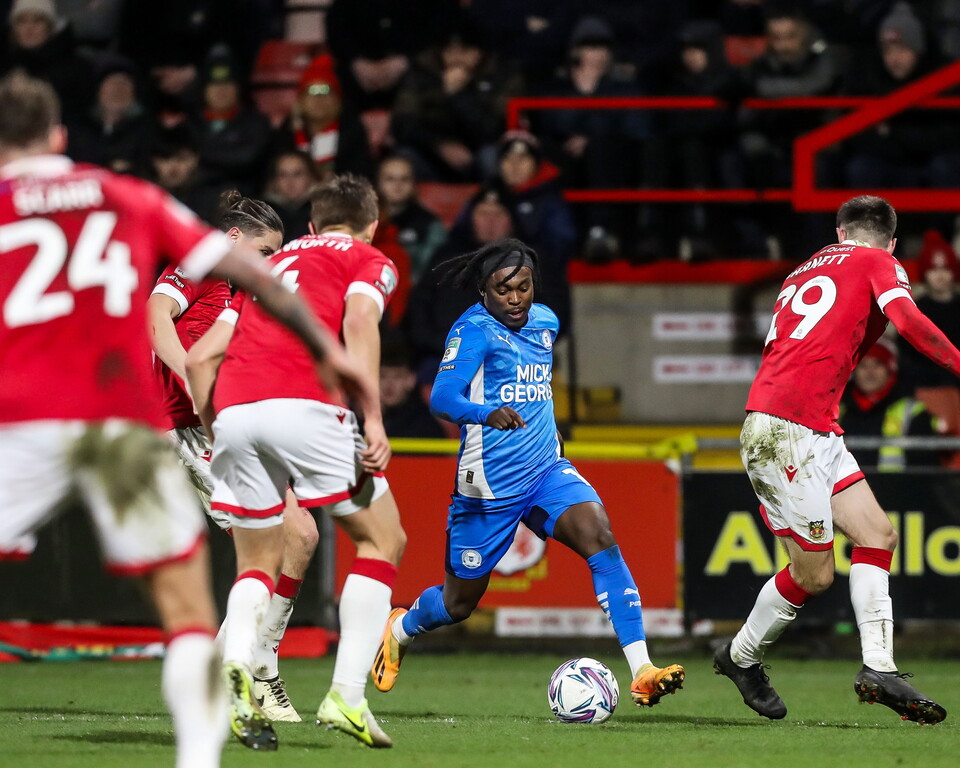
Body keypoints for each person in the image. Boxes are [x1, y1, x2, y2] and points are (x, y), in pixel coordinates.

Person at [0, 72, 371, 768]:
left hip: (18, 420)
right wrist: (331, 352)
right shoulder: (129, 196)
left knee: (284, 539)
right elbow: (235, 287)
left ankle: (258, 668)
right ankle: (207, 744)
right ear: (59, 138)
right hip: (126, 426)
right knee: (187, 604)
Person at [371, 237, 685, 710]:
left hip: (545, 471)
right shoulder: (472, 331)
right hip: (488, 489)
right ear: (483, 291)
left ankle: (642, 669)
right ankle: (401, 627)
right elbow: (441, 397)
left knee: (599, 535)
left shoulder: (546, 322)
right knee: (458, 605)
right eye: (503, 289)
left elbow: (534, 386)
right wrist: (484, 412)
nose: (516, 298)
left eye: (524, 287)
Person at [715, 195, 956, 724]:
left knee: (878, 536)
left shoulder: (803, 269)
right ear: (892, 243)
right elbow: (910, 323)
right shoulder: (878, 262)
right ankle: (740, 656)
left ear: (839, 231)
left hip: (808, 425)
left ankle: (879, 667)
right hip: (787, 430)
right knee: (815, 575)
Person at [191, 174, 407, 750]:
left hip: (235, 409)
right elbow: (359, 322)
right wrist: (374, 418)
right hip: (306, 406)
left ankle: (233, 665)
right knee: (384, 539)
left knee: (257, 560)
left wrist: (221, 434)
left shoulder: (270, 263)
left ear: (309, 226)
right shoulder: (368, 257)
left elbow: (200, 358)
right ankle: (346, 696)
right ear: (372, 223)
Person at [149, 191, 316, 723]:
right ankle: (242, 670)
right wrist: (192, 381)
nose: (273, 262)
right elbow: (156, 320)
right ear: (233, 240)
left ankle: (248, 661)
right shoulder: (199, 266)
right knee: (278, 540)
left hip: (228, 428)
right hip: (183, 425)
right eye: (266, 250)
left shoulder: (251, 296)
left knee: (301, 536)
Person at [838, 340, 940, 470]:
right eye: (863, 365)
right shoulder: (837, 410)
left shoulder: (913, 412)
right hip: (846, 489)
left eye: (878, 365)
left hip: (896, 488)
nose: (870, 373)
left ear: (890, 369)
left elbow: (924, 468)